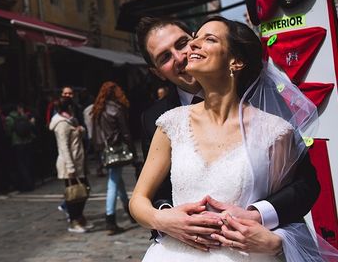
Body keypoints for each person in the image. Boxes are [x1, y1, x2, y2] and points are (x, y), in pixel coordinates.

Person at [131, 16, 328, 261]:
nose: (181, 56)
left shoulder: (270, 119)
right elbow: (147, 195)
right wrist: (166, 219)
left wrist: (260, 217)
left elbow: (302, 186)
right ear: (157, 72)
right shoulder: (162, 120)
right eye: (165, 57)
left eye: (183, 43)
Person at [91, 81, 136, 235]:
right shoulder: (116, 109)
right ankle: (110, 219)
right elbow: (126, 132)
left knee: (117, 179)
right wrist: (133, 151)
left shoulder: (98, 109)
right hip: (116, 149)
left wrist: (98, 153)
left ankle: (128, 210)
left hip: (105, 150)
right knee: (113, 183)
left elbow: (95, 135)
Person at [49, 96, 93, 233]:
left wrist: (80, 130)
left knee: (84, 190)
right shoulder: (61, 124)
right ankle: (74, 221)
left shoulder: (70, 120)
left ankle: (79, 218)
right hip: (70, 164)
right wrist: (70, 167)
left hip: (78, 162)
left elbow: (79, 132)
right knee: (74, 194)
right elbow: (64, 147)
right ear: (68, 107)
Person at [5, 104, 36, 192]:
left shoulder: (9, 118)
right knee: (28, 163)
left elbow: (8, 132)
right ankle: (30, 183)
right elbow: (30, 127)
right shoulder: (24, 116)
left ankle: (24, 185)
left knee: (20, 164)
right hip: (28, 141)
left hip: (17, 142)